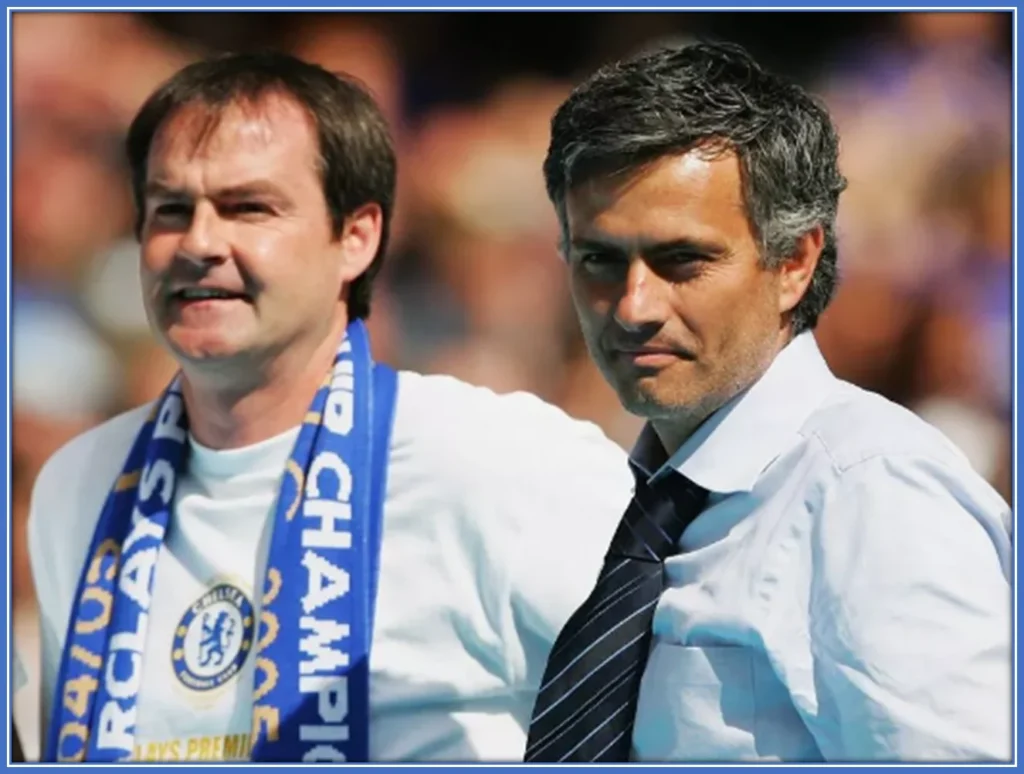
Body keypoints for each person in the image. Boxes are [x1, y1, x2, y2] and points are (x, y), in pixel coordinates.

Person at [26, 51, 634, 764]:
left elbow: (685, 711)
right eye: (170, 210)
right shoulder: (79, 485)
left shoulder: (495, 461)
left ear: (357, 236)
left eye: (248, 208)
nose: (198, 243)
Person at [525, 41, 1012, 763]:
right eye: (599, 259)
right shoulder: (637, 498)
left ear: (794, 262)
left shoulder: (876, 496)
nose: (632, 306)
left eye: (681, 259)